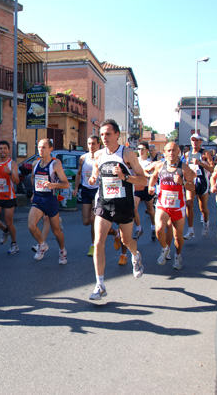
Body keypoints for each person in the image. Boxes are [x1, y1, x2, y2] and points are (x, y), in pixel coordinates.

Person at [88, 119, 147, 301]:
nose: (104, 137)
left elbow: (143, 180)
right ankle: (100, 285)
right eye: (102, 134)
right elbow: (95, 173)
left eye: (107, 134)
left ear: (116, 135)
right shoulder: (98, 155)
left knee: (127, 240)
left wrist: (125, 177)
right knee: (98, 242)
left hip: (123, 205)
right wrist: (92, 178)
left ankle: (135, 257)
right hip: (104, 204)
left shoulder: (127, 154)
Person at [148, 142, 196, 269]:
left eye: (174, 150)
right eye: (168, 150)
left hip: (178, 206)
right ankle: (165, 249)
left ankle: (178, 255)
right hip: (162, 204)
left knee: (178, 236)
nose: (171, 153)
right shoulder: (160, 165)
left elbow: (192, 187)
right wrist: (150, 187)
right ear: (164, 153)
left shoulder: (183, 168)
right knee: (159, 229)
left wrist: (183, 182)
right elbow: (153, 177)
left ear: (178, 152)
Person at [28, 138, 70, 264]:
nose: (41, 149)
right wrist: (33, 193)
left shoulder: (55, 165)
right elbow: (32, 179)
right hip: (38, 198)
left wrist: (53, 185)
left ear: (51, 149)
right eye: (39, 147)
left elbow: (66, 184)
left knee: (56, 231)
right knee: (31, 225)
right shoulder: (35, 164)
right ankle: (42, 245)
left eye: (44, 147)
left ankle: (62, 251)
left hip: (50, 200)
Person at [183, 133, 214, 239]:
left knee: (203, 207)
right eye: (193, 140)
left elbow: (212, 168)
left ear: (200, 141)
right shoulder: (187, 154)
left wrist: (200, 163)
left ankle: (206, 223)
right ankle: (190, 230)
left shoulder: (205, 153)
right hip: (192, 181)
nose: (194, 142)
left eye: (197, 140)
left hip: (202, 181)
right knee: (189, 203)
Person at [74, 135, 101, 256]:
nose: (91, 146)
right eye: (89, 143)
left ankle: (93, 245)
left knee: (92, 219)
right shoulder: (82, 158)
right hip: (85, 189)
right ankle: (112, 232)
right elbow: (79, 173)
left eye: (94, 143)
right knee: (86, 221)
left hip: (97, 190)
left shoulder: (101, 158)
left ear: (98, 145)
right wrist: (76, 188)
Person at [133, 142, 156, 241]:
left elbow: (153, 176)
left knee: (150, 210)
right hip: (137, 187)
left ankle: (154, 227)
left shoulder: (150, 162)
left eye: (142, 149)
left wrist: (148, 176)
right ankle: (139, 228)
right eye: (138, 149)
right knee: (133, 209)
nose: (140, 151)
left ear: (147, 150)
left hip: (146, 187)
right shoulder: (134, 161)